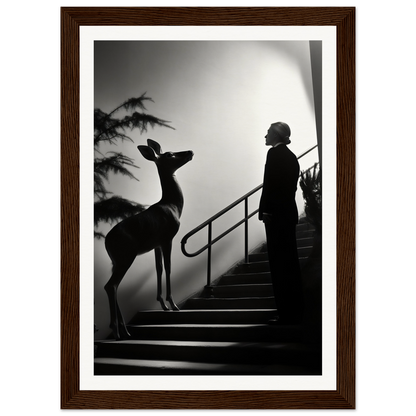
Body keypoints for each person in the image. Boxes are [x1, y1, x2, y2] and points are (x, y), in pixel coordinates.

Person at [259, 122, 304, 325]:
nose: (265, 136)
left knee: (279, 266)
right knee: (290, 263)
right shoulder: (291, 157)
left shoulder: (274, 155)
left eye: (268, 132)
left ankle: (285, 314)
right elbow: (288, 189)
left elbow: (271, 184)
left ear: (276, 135)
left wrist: (265, 210)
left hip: (276, 216)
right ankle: (294, 312)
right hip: (287, 214)